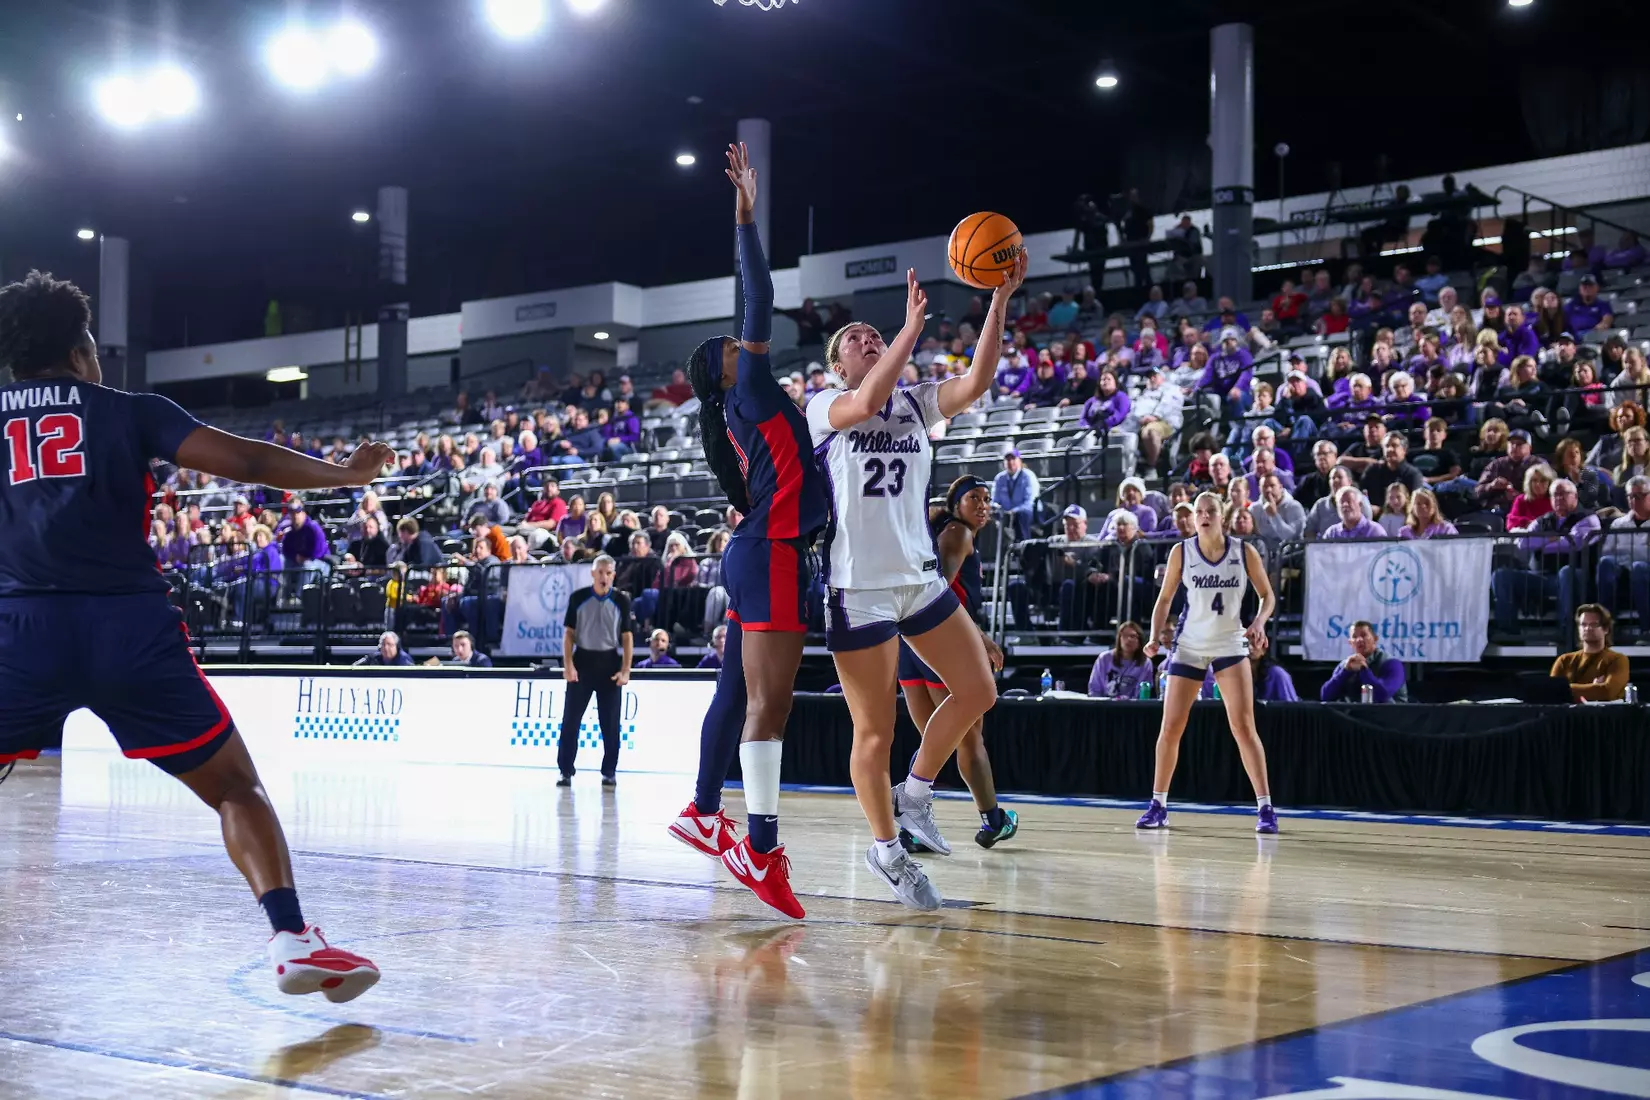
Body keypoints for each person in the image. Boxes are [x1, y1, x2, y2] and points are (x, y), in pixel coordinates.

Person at [0, 269, 383, 1000]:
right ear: (82, 352)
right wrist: (343, 476)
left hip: (18, 632)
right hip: (130, 631)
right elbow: (248, 461)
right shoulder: (130, 411)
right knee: (236, 787)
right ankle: (294, 940)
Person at [805, 246, 1020, 912]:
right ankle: (887, 853)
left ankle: (917, 796)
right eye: (855, 340)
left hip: (916, 577)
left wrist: (998, 302)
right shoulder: (827, 406)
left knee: (978, 688)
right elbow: (870, 397)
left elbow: (977, 382)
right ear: (837, 364)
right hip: (860, 586)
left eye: (875, 334)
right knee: (874, 734)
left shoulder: (917, 403)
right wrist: (909, 330)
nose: (868, 340)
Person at [667, 146, 833, 921]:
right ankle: (760, 847)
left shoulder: (740, 409)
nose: (743, 344)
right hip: (769, 557)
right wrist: (744, 215)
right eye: (732, 347)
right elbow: (759, 295)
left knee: (737, 693)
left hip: (754, 553)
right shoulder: (755, 387)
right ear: (727, 369)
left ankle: (704, 807)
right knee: (772, 707)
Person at [1137, 492, 1279, 834]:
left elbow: (1267, 595)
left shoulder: (1243, 551)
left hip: (1229, 642)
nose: (1203, 516)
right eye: (1198, 512)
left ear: (1222, 516)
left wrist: (1259, 622)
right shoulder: (1181, 552)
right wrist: (1155, 636)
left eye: (1209, 511)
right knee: (1171, 727)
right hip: (1189, 645)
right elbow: (1165, 598)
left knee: (1243, 728)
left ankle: (1265, 807)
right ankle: (1158, 804)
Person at [894, 476, 1015, 851]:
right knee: (968, 737)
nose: (982, 505)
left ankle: (912, 829)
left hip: (910, 647)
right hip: (940, 644)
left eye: (987, 499)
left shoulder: (943, 531)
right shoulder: (958, 533)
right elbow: (938, 591)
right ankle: (992, 819)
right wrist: (981, 638)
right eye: (973, 498)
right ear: (955, 503)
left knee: (939, 741)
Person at [557, 554, 633, 789]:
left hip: (609, 662)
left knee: (610, 723)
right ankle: (565, 771)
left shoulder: (621, 600)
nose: (604, 577)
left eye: (608, 573)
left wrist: (625, 670)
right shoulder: (578, 598)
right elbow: (569, 634)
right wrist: (568, 665)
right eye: (600, 572)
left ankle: (609, 771)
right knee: (570, 721)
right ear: (593, 573)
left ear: (613, 575)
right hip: (583, 661)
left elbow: (627, 637)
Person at [1598, 476, 1650, 636]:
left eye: (1640, 495)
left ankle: (1646, 630)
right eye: (1631, 496)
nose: (1635, 500)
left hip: (1645, 570)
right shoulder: (1619, 523)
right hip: (1622, 570)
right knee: (1606, 563)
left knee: (1639, 568)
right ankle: (1607, 628)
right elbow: (1607, 552)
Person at [1551, 605, 1631, 702]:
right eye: (1583, 624)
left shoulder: (1617, 659)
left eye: (1593, 624)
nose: (1587, 628)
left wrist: (1566, 688)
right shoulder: (1564, 660)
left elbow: (1607, 692)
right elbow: (1552, 692)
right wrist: (1593, 688)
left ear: (1606, 629)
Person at [1320, 620, 1408, 703]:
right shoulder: (1346, 665)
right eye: (1355, 637)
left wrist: (1363, 669)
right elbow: (1326, 697)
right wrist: (1345, 672)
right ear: (1350, 643)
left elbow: (1381, 696)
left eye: (1364, 635)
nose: (1359, 640)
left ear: (1375, 639)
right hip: (1354, 716)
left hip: (1391, 716)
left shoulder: (1392, 664)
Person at [1087, 619, 1154, 699]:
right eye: (1124, 635)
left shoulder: (1145, 663)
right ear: (1119, 638)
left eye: (1133, 636)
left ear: (1140, 641)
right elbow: (1094, 688)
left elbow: (1143, 694)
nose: (1128, 639)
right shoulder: (1104, 658)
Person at [992, 449, 1040, 540]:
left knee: (1020, 515)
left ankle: (1022, 548)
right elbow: (994, 500)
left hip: (1026, 512)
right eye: (1007, 460)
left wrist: (1013, 511)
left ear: (1019, 461)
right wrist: (995, 507)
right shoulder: (999, 478)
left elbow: (1030, 502)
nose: (1010, 462)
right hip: (1005, 513)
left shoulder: (1028, 476)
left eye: (1013, 459)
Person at [1245, 631, 1297, 701]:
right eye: (1245, 644)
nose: (1250, 648)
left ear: (1264, 649)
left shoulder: (1278, 674)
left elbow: (1291, 707)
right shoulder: (1235, 673)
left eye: (1254, 644)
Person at [424, 629, 493, 668]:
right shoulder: (455, 660)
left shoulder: (482, 661)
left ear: (471, 644)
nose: (459, 649)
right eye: (456, 646)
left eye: (463, 645)